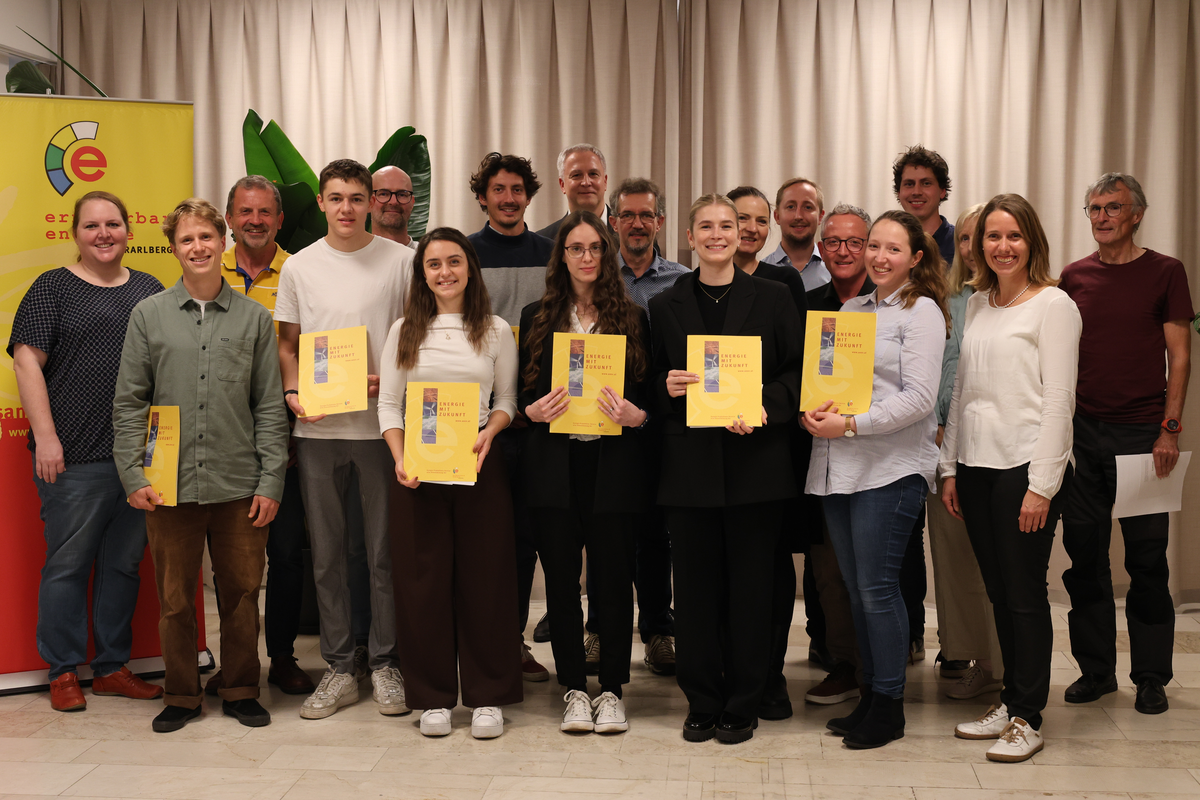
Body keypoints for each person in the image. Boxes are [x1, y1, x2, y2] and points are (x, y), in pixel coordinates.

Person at [112, 198, 289, 733]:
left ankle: (239, 688)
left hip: (240, 483)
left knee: (241, 595)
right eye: (186, 240)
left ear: (223, 241)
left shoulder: (257, 319)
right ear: (174, 249)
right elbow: (128, 403)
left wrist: (272, 479)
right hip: (168, 488)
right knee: (174, 601)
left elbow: (269, 406)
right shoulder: (148, 315)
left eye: (206, 237)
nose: (198, 248)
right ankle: (182, 694)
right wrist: (133, 476)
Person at [650, 194, 803, 745]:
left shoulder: (774, 297)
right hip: (689, 472)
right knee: (692, 594)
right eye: (706, 227)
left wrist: (766, 404)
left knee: (751, 591)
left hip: (755, 467)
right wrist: (666, 390)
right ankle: (702, 699)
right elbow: (652, 389)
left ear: (742, 234)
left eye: (728, 226)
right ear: (690, 238)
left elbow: (795, 374)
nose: (718, 235)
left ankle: (744, 699)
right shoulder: (665, 305)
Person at [9, 190, 165, 713]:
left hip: (138, 457)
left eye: (114, 224)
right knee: (68, 565)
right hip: (72, 455)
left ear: (129, 231)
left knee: (123, 565)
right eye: (93, 225)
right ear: (75, 233)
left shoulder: (148, 289)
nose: (104, 234)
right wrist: (47, 437)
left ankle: (112, 667)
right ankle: (62, 670)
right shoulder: (51, 288)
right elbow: (26, 362)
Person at [940, 193, 1081, 762]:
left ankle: (1029, 716)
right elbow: (963, 393)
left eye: (1013, 236)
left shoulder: (1055, 305)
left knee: (1024, 597)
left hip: (1024, 468)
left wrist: (1042, 485)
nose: (1001, 247)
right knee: (999, 592)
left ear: (1033, 243)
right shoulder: (975, 305)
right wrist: (950, 467)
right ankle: (1010, 699)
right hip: (975, 467)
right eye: (990, 237)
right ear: (975, 246)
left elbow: (1059, 402)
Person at [803, 210, 949, 749]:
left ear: (915, 257)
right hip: (838, 469)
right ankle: (869, 694)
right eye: (875, 248)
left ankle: (889, 705)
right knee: (857, 592)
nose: (879, 258)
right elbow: (831, 385)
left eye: (893, 249)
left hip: (889, 469)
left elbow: (919, 399)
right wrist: (813, 414)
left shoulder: (923, 312)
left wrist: (851, 424)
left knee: (878, 590)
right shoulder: (850, 310)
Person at [276, 159, 414, 719]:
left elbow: (417, 338)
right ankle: (338, 667)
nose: (347, 208)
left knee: (383, 555)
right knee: (328, 555)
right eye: (336, 198)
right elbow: (289, 346)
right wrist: (292, 394)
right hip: (319, 430)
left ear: (371, 202)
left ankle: (384, 664)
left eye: (357, 198)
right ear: (321, 202)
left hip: (381, 430)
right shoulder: (300, 268)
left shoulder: (402, 262)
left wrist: (395, 378)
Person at [379, 227, 522, 739]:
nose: (445, 272)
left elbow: (507, 400)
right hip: (417, 474)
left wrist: (490, 433)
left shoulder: (496, 329)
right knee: (423, 583)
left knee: (487, 581)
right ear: (422, 274)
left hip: (479, 468)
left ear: (470, 268)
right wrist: (400, 459)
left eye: (454, 262)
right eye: (434, 264)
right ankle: (433, 696)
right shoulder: (404, 330)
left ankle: (488, 696)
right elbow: (390, 404)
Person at [1059, 173, 1193, 715]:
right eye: (1093, 208)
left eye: (1113, 208)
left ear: (1137, 214)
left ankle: (1152, 676)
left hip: (1143, 437)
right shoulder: (1073, 277)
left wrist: (1170, 429)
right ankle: (1096, 672)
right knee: (1084, 559)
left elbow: (1180, 357)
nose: (1101, 217)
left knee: (1147, 563)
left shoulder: (1166, 272)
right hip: (1083, 435)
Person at [518, 211, 653, 734]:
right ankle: (574, 687)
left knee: (614, 582)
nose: (587, 257)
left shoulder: (633, 317)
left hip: (613, 464)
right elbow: (520, 395)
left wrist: (634, 415)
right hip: (555, 465)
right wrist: (532, 411)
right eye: (576, 248)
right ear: (562, 257)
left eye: (596, 247)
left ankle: (613, 689)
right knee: (560, 582)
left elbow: (648, 400)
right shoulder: (536, 315)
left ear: (608, 253)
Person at [201, 176, 315, 698]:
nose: (254, 220)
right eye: (244, 211)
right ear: (229, 218)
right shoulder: (202, 269)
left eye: (264, 212)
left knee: (288, 553)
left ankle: (285, 656)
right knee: (231, 561)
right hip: (222, 438)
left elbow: (311, 349)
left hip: (287, 437)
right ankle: (235, 660)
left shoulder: (301, 271)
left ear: (279, 219)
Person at [467, 151, 555, 682]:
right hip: (481, 425)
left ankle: (513, 641)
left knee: (525, 541)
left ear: (529, 195)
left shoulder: (553, 253)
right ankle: (477, 640)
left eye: (517, 190)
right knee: (483, 541)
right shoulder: (465, 253)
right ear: (483, 197)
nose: (507, 198)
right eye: (497, 190)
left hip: (542, 421)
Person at [727, 184, 808, 720]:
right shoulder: (698, 288)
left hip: (771, 444)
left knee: (772, 569)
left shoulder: (784, 282)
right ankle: (729, 668)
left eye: (760, 221)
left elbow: (796, 364)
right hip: (716, 446)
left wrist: (764, 408)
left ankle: (771, 673)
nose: (752, 229)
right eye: (741, 220)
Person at [607, 177, 688, 677]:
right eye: (628, 215)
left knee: (657, 535)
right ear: (613, 221)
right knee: (609, 532)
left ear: (660, 222)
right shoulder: (596, 278)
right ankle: (600, 627)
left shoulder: (682, 281)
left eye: (647, 216)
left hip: (661, 425)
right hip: (604, 421)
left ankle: (659, 629)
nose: (637, 224)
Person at [800, 203, 876, 709]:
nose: (844, 251)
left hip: (880, 455)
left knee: (879, 574)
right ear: (821, 249)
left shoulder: (894, 304)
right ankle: (845, 664)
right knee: (828, 570)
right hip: (821, 456)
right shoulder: (805, 304)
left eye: (856, 242)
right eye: (835, 242)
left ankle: (883, 670)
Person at [927, 204, 1003, 699]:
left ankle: (1003, 663)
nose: (975, 247)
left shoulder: (1027, 299)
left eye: (988, 236)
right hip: (942, 447)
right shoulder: (943, 299)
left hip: (998, 449)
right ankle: (969, 656)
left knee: (997, 563)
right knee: (953, 561)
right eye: (971, 237)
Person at [893, 144, 956, 267]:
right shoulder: (888, 244)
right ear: (899, 192)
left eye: (926, 183)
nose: (916, 192)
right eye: (909, 184)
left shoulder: (959, 244)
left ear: (942, 190)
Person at [762, 178, 829, 291]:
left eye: (808, 207)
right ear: (777, 216)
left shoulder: (835, 273)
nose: (798, 216)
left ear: (820, 217)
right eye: (791, 207)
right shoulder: (760, 274)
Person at [536, 144, 610, 241]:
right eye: (576, 175)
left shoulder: (628, 232)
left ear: (605, 182)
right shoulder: (543, 241)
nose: (586, 182)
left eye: (593, 174)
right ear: (562, 185)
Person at [372, 166, 417, 248]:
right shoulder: (351, 256)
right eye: (383, 194)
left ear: (412, 202)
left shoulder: (428, 256)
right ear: (369, 202)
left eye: (402, 194)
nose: (393, 202)